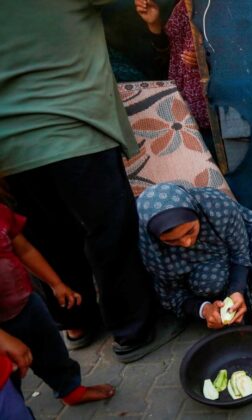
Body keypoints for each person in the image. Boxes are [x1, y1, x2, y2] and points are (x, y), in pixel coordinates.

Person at [0, 0, 181, 363]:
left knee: (48, 235)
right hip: (75, 130)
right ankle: (133, 331)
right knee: (110, 232)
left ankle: (75, 321)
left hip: (11, 145)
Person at [0, 195, 114, 406]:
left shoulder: (2, 213)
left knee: (51, 350)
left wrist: (56, 284)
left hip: (26, 303)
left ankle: (70, 389)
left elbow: (24, 250)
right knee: (7, 382)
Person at [137, 183, 252, 329]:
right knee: (209, 280)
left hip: (240, 243)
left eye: (190, 231)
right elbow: (170, 293)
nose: (186, 243)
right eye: (171, 241)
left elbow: (240, 253)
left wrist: (236, 290)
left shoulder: (216, 206)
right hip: (206, 273)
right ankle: (221, 308)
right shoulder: (149, 245)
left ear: (196, 212)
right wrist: (204, 309)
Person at [135, 0, 211, 131]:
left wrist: (208, 59)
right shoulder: (180, 6)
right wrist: (154, 24)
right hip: (182, 111)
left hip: (216, 109)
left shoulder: (220, 7)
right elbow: (169, 58)